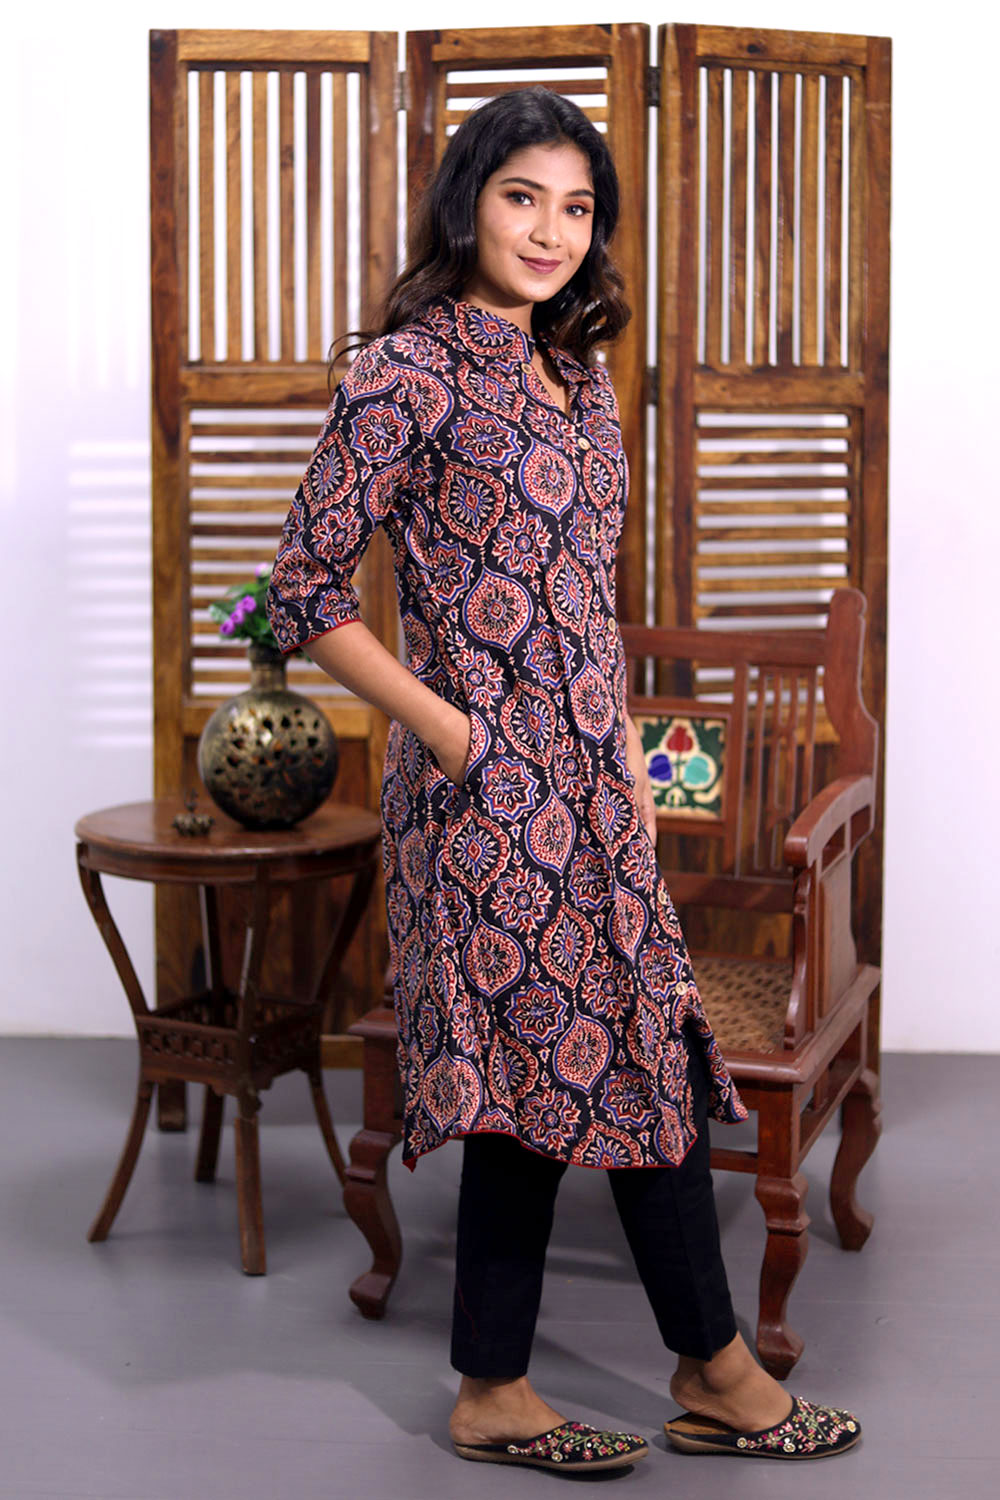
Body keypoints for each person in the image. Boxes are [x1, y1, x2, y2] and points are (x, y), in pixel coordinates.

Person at [266, 86, 861, 1473]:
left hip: (595, 782)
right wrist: (453, 735)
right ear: (467, 203)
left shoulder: (580, 382)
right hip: (483, 799)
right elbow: (301, 590)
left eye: (577, 207)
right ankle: (687, 1371)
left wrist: (628, 756)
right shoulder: (406, 374)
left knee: (624, 1046)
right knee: (552, 1053)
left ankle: (574, 1378)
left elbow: (582, 597)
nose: (550, 230)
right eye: (522, 196)